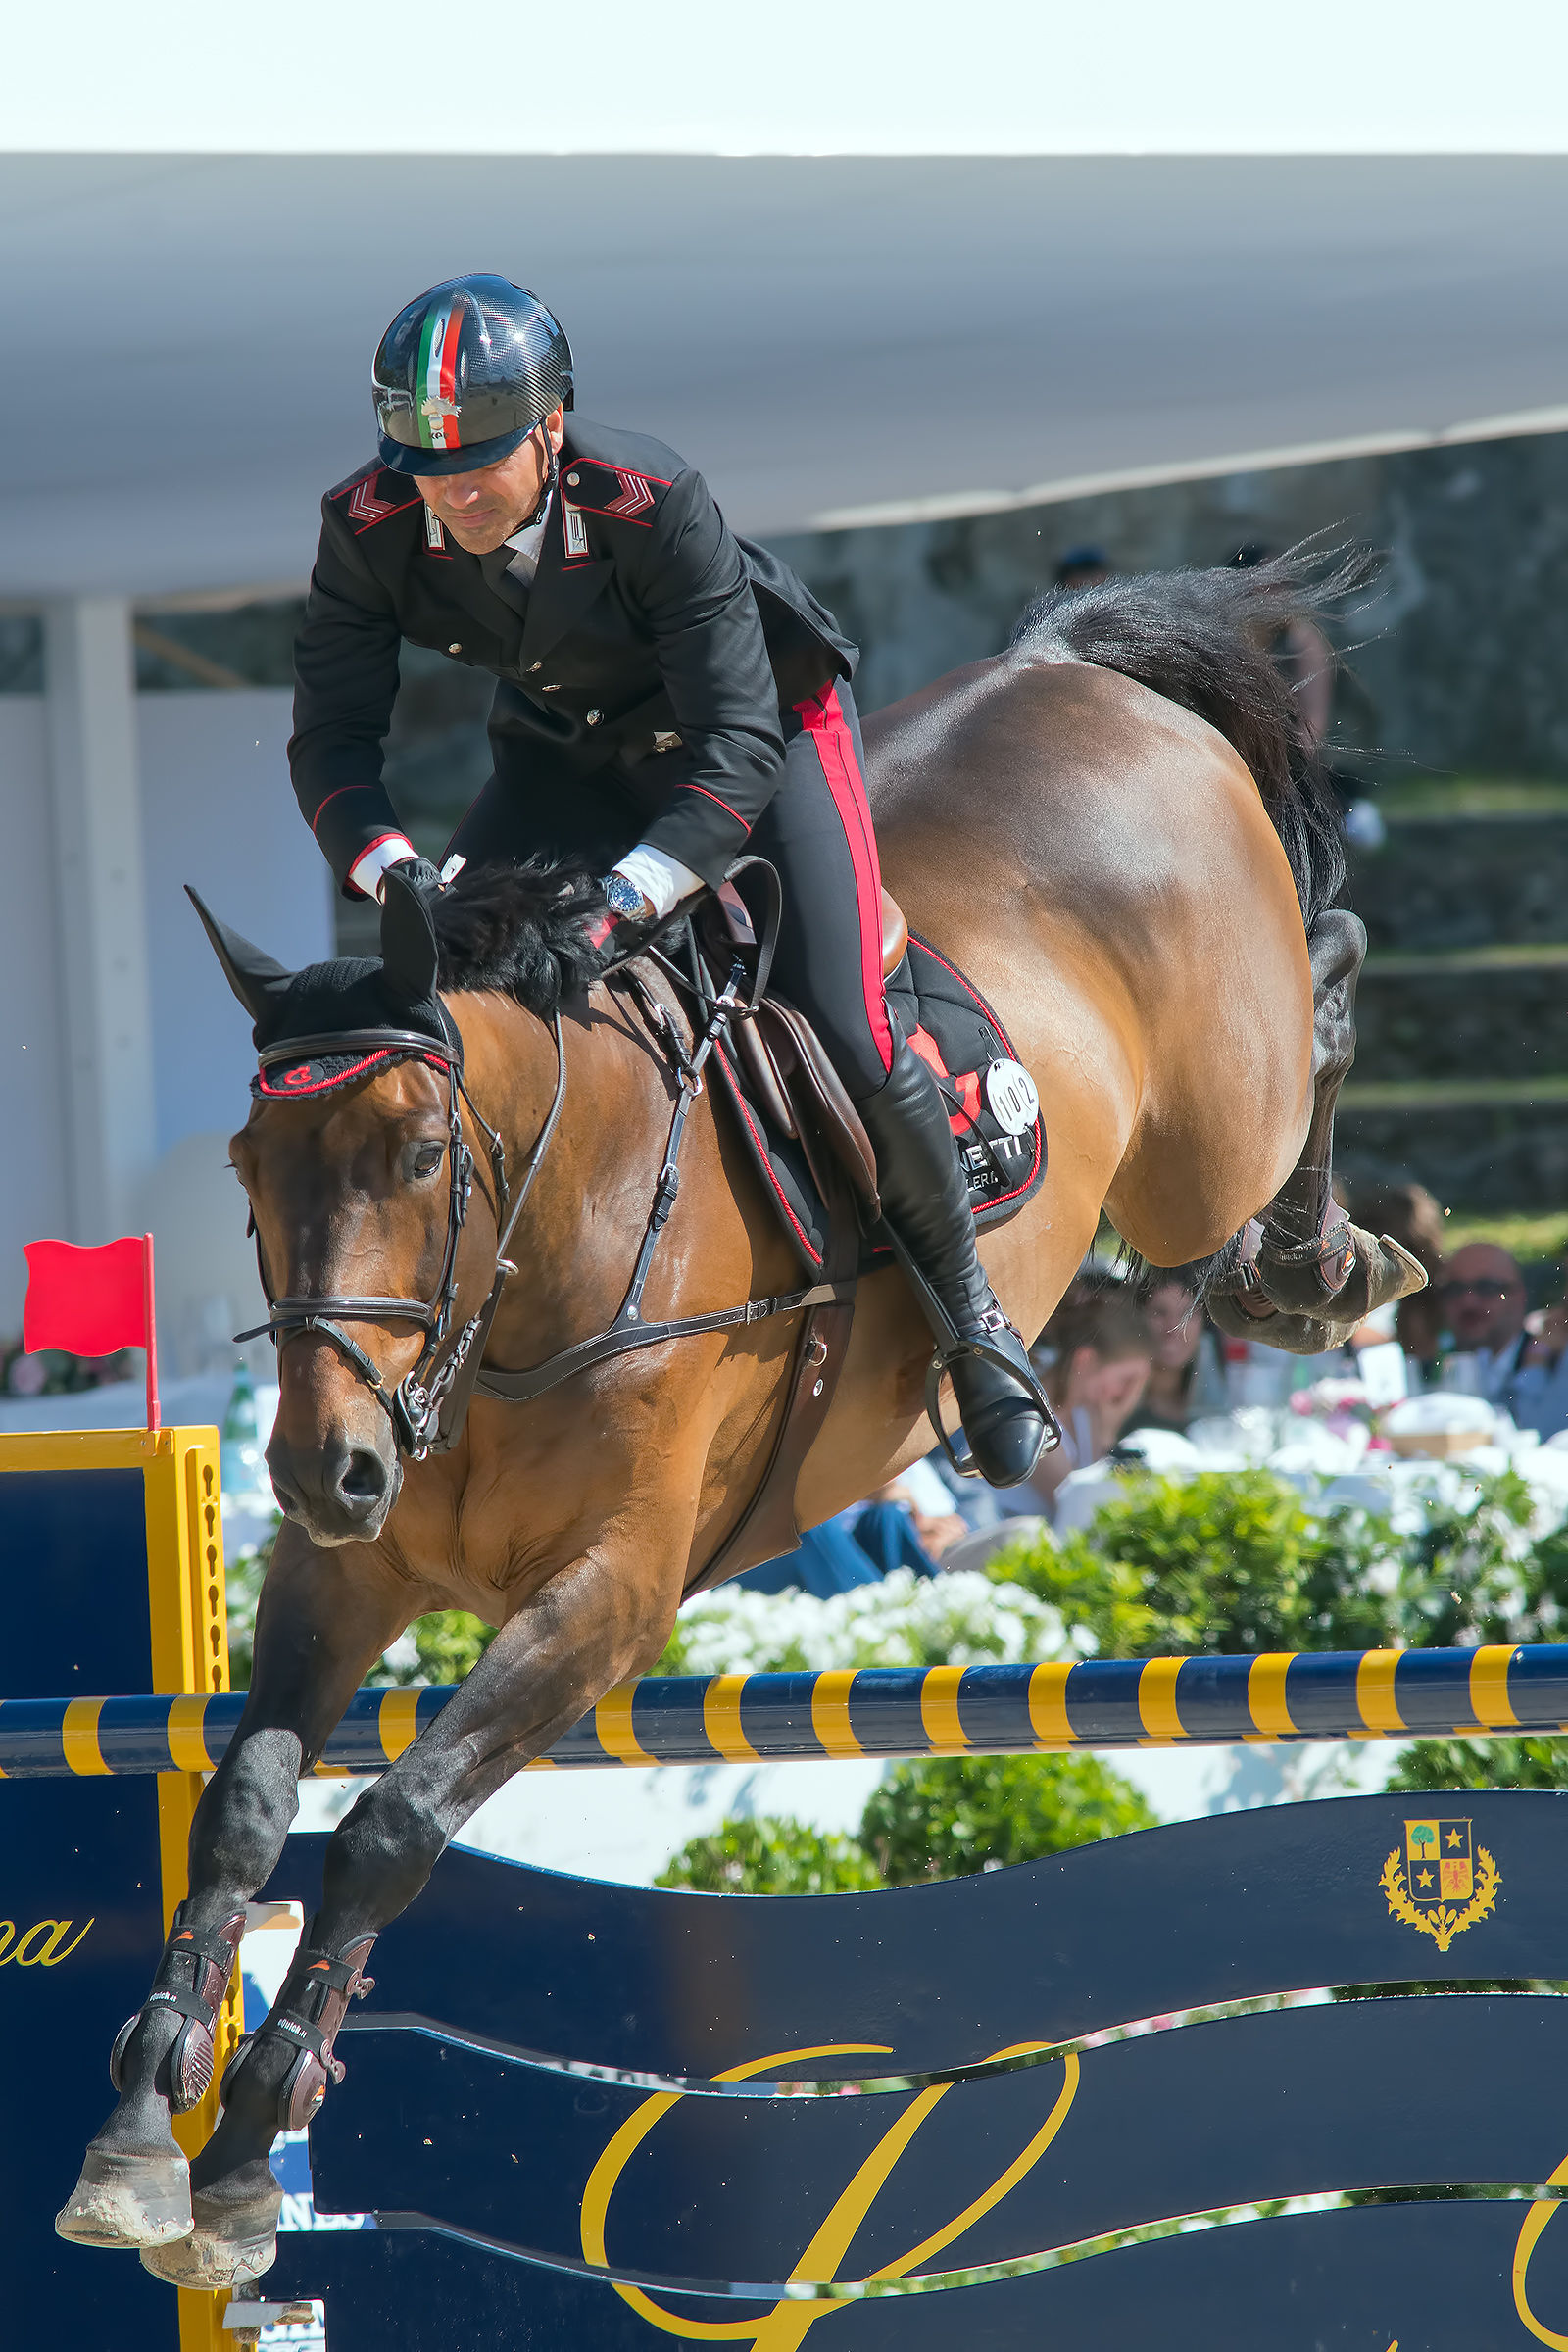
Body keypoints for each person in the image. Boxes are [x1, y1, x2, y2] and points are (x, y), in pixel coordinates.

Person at [287, 273, 1048, 1485]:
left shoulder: (654, 501)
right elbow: (331, 742)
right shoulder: (369, 520)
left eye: (482, 461)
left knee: (845, 1024)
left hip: (755, 747)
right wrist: (394, 879)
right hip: (559, 761)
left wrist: (630, 897)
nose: (453, 494)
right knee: (446, 999)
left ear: (551, 429)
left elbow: (737, 747)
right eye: (426, 468)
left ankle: (974, 1326)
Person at [1027, 1286, 1155, 1515]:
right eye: (1127, 1379)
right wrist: (1107, 1433)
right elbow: (1084, 1507)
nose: (1128, 1395)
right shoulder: (1031, 1416)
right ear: (1085, 1360)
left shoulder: (1086, 1411)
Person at [1119, 1270, 1228, 1435]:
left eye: (1186, 1315)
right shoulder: (1115, 1403)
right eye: (1159, 1313)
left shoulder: (1221, 1401)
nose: (1173, 1328)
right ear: (1138, 1319)